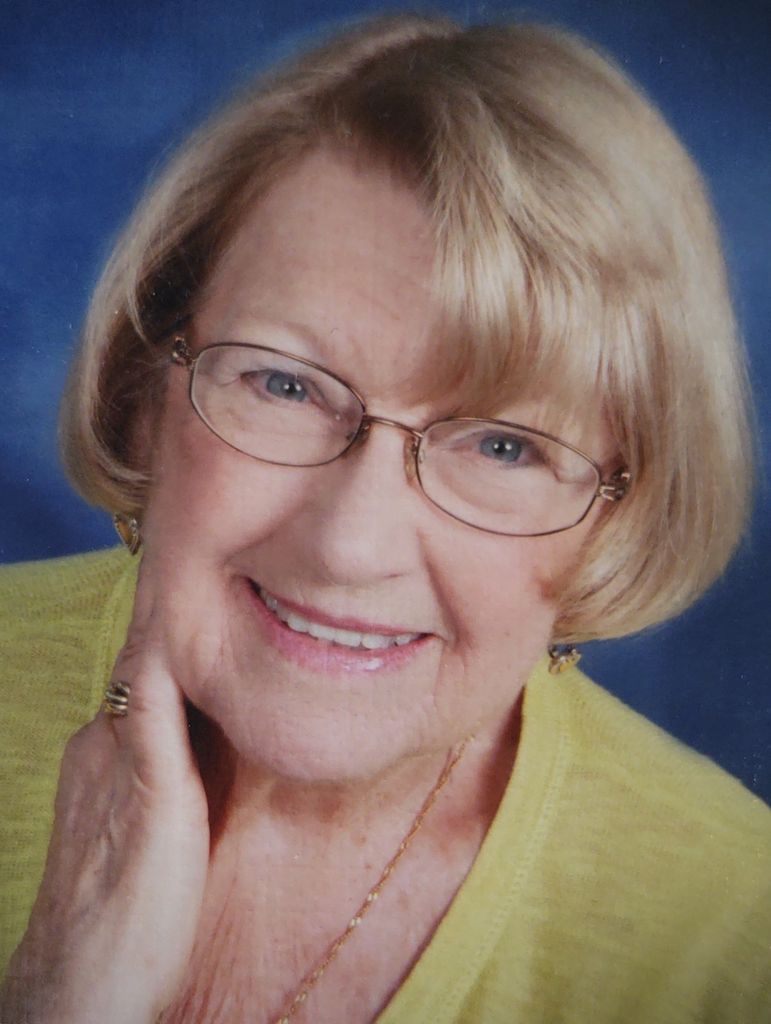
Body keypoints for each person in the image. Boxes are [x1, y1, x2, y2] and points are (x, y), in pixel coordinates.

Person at [1, 13, 769, 1024]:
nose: (348, 545)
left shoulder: (734, 931)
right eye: (284, 385)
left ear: (614, 517)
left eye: (503, 446)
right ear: (148, 390)